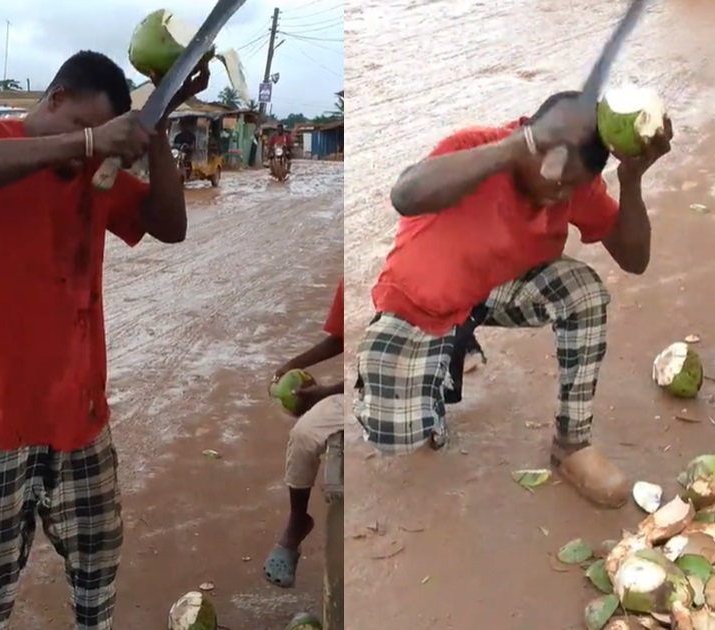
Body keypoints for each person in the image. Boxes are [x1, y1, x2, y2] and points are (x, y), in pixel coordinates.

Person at [0, 50, 207, 629]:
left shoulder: (92, 174)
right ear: (54, 99)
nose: (90, 143)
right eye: (83, 126)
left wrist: (155, 129)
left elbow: (172, 227)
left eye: (98, 134)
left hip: (82, 422)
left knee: (97, 579)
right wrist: (88, 143)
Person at [352, 91, 673, 508]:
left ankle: (571, 444)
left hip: (492, 290)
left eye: (571, 188)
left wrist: (632, 181)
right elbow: (405, 195)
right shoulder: (476, 146)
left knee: (584, 293)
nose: (560, 196)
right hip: (419, 302)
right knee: (397, 437)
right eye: (555, 181)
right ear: (529, 141)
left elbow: (635, 260)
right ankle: (444, 353)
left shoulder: (576, 180)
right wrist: (511, 148)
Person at [264, 279, 344, 588]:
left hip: (395, 384)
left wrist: (325, 393)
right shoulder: (350, 279)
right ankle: (298, 521)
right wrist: (293, 364)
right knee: (302, 435)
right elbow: (340, 338)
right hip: (357, 389)